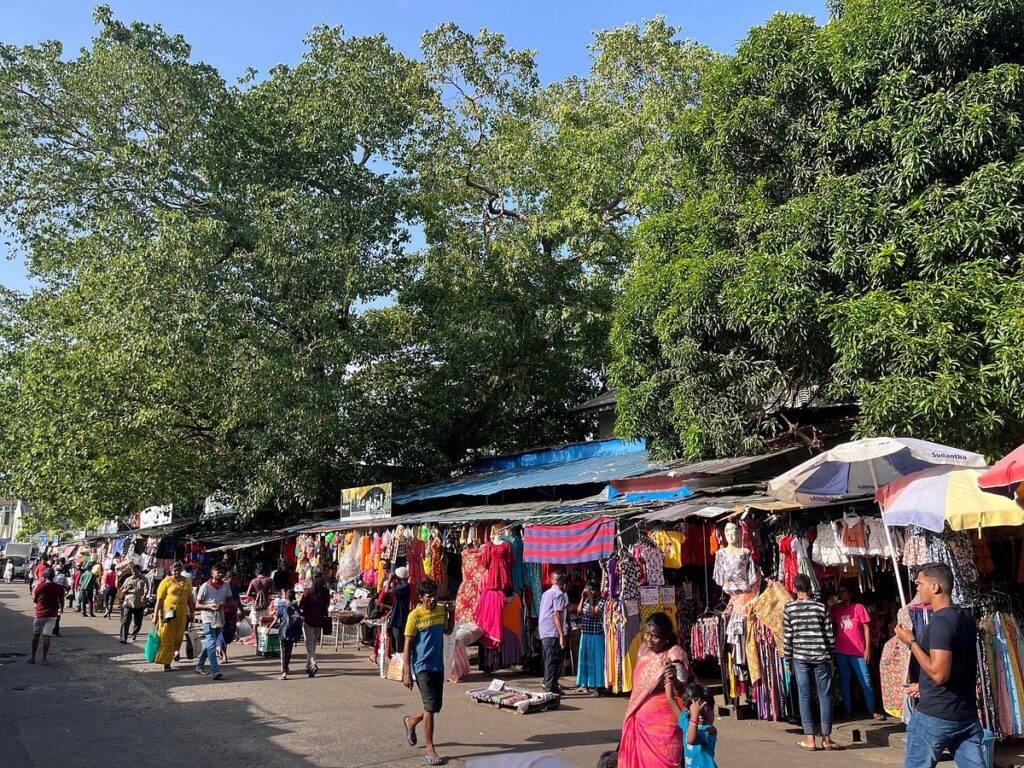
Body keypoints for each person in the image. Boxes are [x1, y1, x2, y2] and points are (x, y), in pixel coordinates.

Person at [895, 563, 985, 768]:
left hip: (936, 716)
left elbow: (939, 673)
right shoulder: (966, 619)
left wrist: (911, 642)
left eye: (919, 584)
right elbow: (957, 666)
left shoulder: (941, 623)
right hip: (965, 715)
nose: (917, 589)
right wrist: (923, 686)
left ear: (934, 587)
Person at [617, 611, 690, 768]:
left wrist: (674, 679)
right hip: (640, 719)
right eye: (647, 634)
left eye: (655, 636)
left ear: (666, 638)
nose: (649, 639)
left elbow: (685, 691)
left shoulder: (674, 653)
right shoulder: (643, 649)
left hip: (664, 727)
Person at [783, 573, 841, 751]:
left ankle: (810, 739)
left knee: (805, 696)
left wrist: (788, 658)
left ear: (795, 589)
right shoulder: (820, 607)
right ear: (809, 588)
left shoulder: (789, 609)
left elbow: (788, 636)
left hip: (800, 657)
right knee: (825, 696)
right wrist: (831, 654)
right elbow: (830, 635)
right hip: (821, 656)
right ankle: (826, 738)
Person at [401, 578, 452, 766]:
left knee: (435, 707)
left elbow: (448, 630)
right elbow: (408, 644)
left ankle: (411, 721)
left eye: (434, 597)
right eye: (429, 597)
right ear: (421, 597)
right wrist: (407, 671)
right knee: (430, 706)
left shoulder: (440, 611)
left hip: (438, 665)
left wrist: (451, 615)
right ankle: (430, 748)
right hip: (422, 666)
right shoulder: (414, 616)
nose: (432, 600)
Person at [832, 582, 884, 721]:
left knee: (865, 679)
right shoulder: (836, 609)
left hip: (858, 650)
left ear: (851, 593)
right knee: (845, 680)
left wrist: (868, 649)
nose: (842, 594)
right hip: (841, 649)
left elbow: (866, 628)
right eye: (840, 592)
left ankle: (872, 709)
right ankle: (848, 709)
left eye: (844, 591)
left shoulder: (859, 607)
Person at [151, 561, 194, 671]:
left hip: (182, 614)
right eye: (175, 570)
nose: (177, 572)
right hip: (168, 614)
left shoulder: (187, 582)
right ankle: (166, 663)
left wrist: (192, 612)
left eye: (179, 570)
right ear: (171, 570)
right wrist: (155, 615)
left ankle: (175, 653)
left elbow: (190, 598)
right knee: (167, 637)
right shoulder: (166, 581)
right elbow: (159, 600)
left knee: (178, 637)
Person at [665, 682, 718, 768]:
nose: (700, 714)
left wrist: (694, 716)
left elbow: (691, 740)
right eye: (698, 710)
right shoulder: (687, 723)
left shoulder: (710, 730)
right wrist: (669, 680)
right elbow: (670, 699)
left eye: (706, 708)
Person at [194, 563, 232, 680]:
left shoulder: (226, 586)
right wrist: (209, 606)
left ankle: (199, 665)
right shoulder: (205, 586)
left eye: (222, 572)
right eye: (218, 572)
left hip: (219, 618)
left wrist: (223, 604)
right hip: (208, 619)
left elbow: (230, 601)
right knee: (211, 642)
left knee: (211, 643)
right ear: (212, 573)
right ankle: (215, 670)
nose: (220, 574)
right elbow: (197, 604)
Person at [538, 572, 569, 695]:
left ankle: (552, 686)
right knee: (553, 659)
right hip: (551, 630)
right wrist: (562, 635)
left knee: (551, 659)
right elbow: (556, 615)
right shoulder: (559, 594)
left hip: (545, 630)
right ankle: (550, 688)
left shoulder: (546, 594)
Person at [574, 579, 606, 695]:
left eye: (592, 590)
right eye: (588, 589)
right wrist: (583, 598)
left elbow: (593, 614)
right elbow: (579, 612)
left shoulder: (602, 601)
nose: (590, 592)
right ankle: (584, 685)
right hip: (586, 634)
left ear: (597, 590)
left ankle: (598, 687)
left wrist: (591, 599)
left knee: (596, 661)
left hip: (596, 635)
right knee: (585, 660)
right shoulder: (587, 600)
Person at [298, 570, 330, 678]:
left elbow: (302, 606)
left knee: (309, 643)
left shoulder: (308, 591)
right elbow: (327, 605)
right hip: (320, 620)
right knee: (313, 643)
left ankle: (313, 663)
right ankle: (308, 666)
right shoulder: (325, 591)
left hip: (309, 620)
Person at [30, 567, 63, 665]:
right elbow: (61, 601)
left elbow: (34, 599)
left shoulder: (40, 586)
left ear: (44, 576)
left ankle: (33, 657)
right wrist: (61, 609)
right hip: (52, 614)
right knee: (47, 635)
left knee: (36, 635)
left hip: (40, 613)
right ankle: (44, 659)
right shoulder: (58, 587)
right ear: (54, 576)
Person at [273, 588, 302, 680]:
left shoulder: (282, 607)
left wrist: (269, 628)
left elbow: (276, 619)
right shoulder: (296, 608)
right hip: (293, 632)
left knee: (283, 651)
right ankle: (286, 668)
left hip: (283, 632)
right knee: (289, 651)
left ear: (285, 596)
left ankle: (284, 671)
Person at [117, 564, 149, 643]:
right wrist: (126, 589)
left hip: (139, 604)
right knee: (125, 620)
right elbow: (122, 590)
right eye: (133, 571)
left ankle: (134, 635)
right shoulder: (128, 579)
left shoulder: (144, 579)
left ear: (139, 571)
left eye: (136, 571)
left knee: (138, 622)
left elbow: (146, 588)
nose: (134, 573)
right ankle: (123, 638)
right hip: (128, 603)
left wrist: (144, 595)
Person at [216, 570, 241, 663]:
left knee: (230, 634)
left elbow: (238, 600)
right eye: (231, 579)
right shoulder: (222, 587)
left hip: (232, 614)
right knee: (222, 632)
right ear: (227, 578)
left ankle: (218, 647)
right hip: (223, 613)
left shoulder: (235, 587)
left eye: (235, 579)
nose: (233, 581)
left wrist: (241, 611)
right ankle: (224, 655)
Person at [388, 566, 412, 654]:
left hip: (399, 618)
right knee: (396, 641)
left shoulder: (404, 587)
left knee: (399, 644)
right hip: (398, 616)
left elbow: (387, 590)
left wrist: (390, 579)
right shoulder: (403, 586)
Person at [245, 564, 273, 629]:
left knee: (255, 622)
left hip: (255, 604)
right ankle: (265, 636)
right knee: (266, 621)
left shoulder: (253, 581)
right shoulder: (269, 580)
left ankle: (256, 638)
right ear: (265, 572)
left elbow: (247, 594)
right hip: (265, 604)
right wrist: (265, 593)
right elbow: (272, 592)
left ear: (257, 573)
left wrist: (256, 595)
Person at [52, 567, 68, 636]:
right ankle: (56, 631)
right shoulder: (64, 576)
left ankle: (49, 630)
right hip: (59, 596)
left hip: (51, 597)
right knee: (58, 615)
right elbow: (66, 585)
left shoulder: (51, 576)